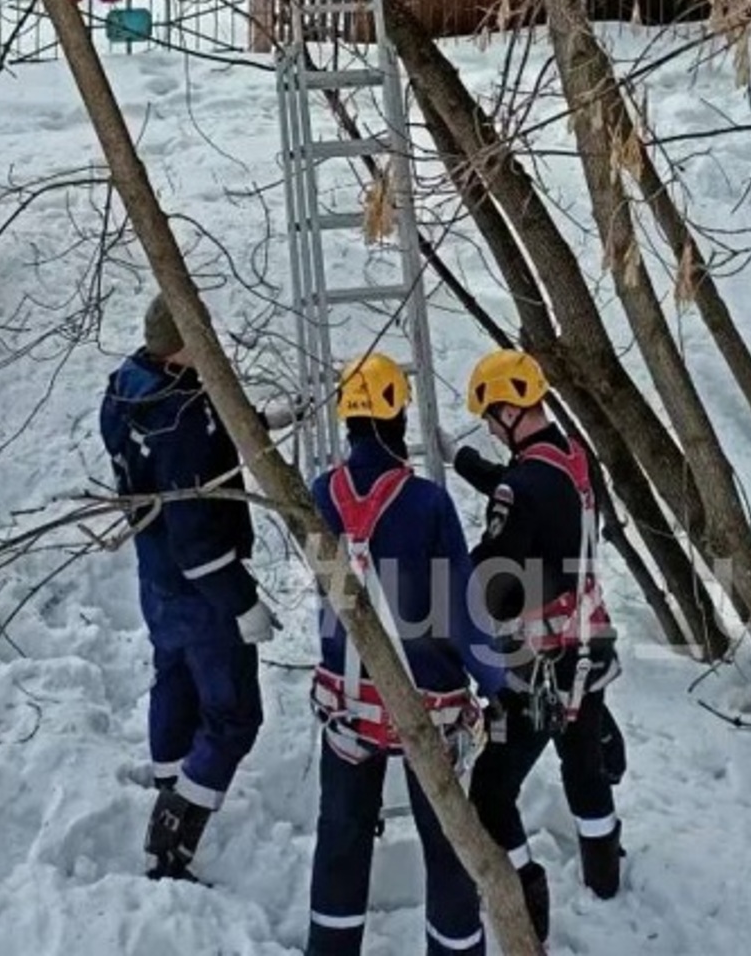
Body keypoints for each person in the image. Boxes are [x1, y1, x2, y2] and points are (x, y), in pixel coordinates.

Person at [305, 353, 506, 956]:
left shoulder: (321, 494)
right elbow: (463, 612)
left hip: (347, 705)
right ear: (398, 416)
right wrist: (499, 683)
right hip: (428, 706)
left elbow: (332, 592)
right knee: (447, 847)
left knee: (341, 837)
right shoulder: (426, 505)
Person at [98, 293, 276, 882]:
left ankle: (170, 783)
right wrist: (241, 604)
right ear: (183, 346)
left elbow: (200, 419)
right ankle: (173, 836)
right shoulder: (178, 423)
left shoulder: (134, 385)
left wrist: (259, 420)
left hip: (157, 576)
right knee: (234, 716)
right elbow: (198, 537)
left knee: (172, 676)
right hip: (201, 588)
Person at [451, 350, 626, 945]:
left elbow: (494, 584)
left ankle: (525, 890)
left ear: (506, 408)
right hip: (589, 648)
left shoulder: (520, 490)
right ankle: (605, 875)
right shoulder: (575, 455)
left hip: (539, 667)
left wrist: (444, 579)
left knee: (491, 790)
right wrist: (470, 464)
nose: (492, 428)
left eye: (491, 418)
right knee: (584, 767)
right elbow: (531, 488)